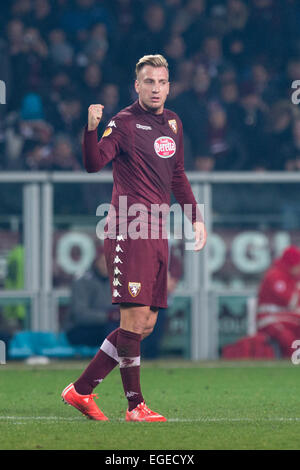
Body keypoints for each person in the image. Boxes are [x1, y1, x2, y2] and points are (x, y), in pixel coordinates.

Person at [61, 54, 207, 422]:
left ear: (169, 86)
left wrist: (195, 219)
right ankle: (134, 406)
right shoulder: (123, 123)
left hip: (159, 231)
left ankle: (81, 390)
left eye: (161, 82)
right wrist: (91, 129)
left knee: (144, 325)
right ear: (137, 86)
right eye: (149, 82)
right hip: (129, 229)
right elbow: (94, 163)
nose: (155, 88)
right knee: (132, 321)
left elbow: (178, 177)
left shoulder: (174, 122)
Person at [65, 245, 119, 347]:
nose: (106, 266)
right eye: (103, 262)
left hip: (107, 326)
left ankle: (148, 353)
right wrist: (109, 316)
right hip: (80, 329)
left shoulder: (117, 281)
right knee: (113, 330)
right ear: (95, 262)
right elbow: (80, 315)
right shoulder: (82, 282)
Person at [256, 245, 300, 358]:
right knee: (286, 336)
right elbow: (290, 301)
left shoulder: (293, 278)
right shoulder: (275, 276)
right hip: (268, 319)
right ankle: (295, 360)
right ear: (291, 263)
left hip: (288, 318)